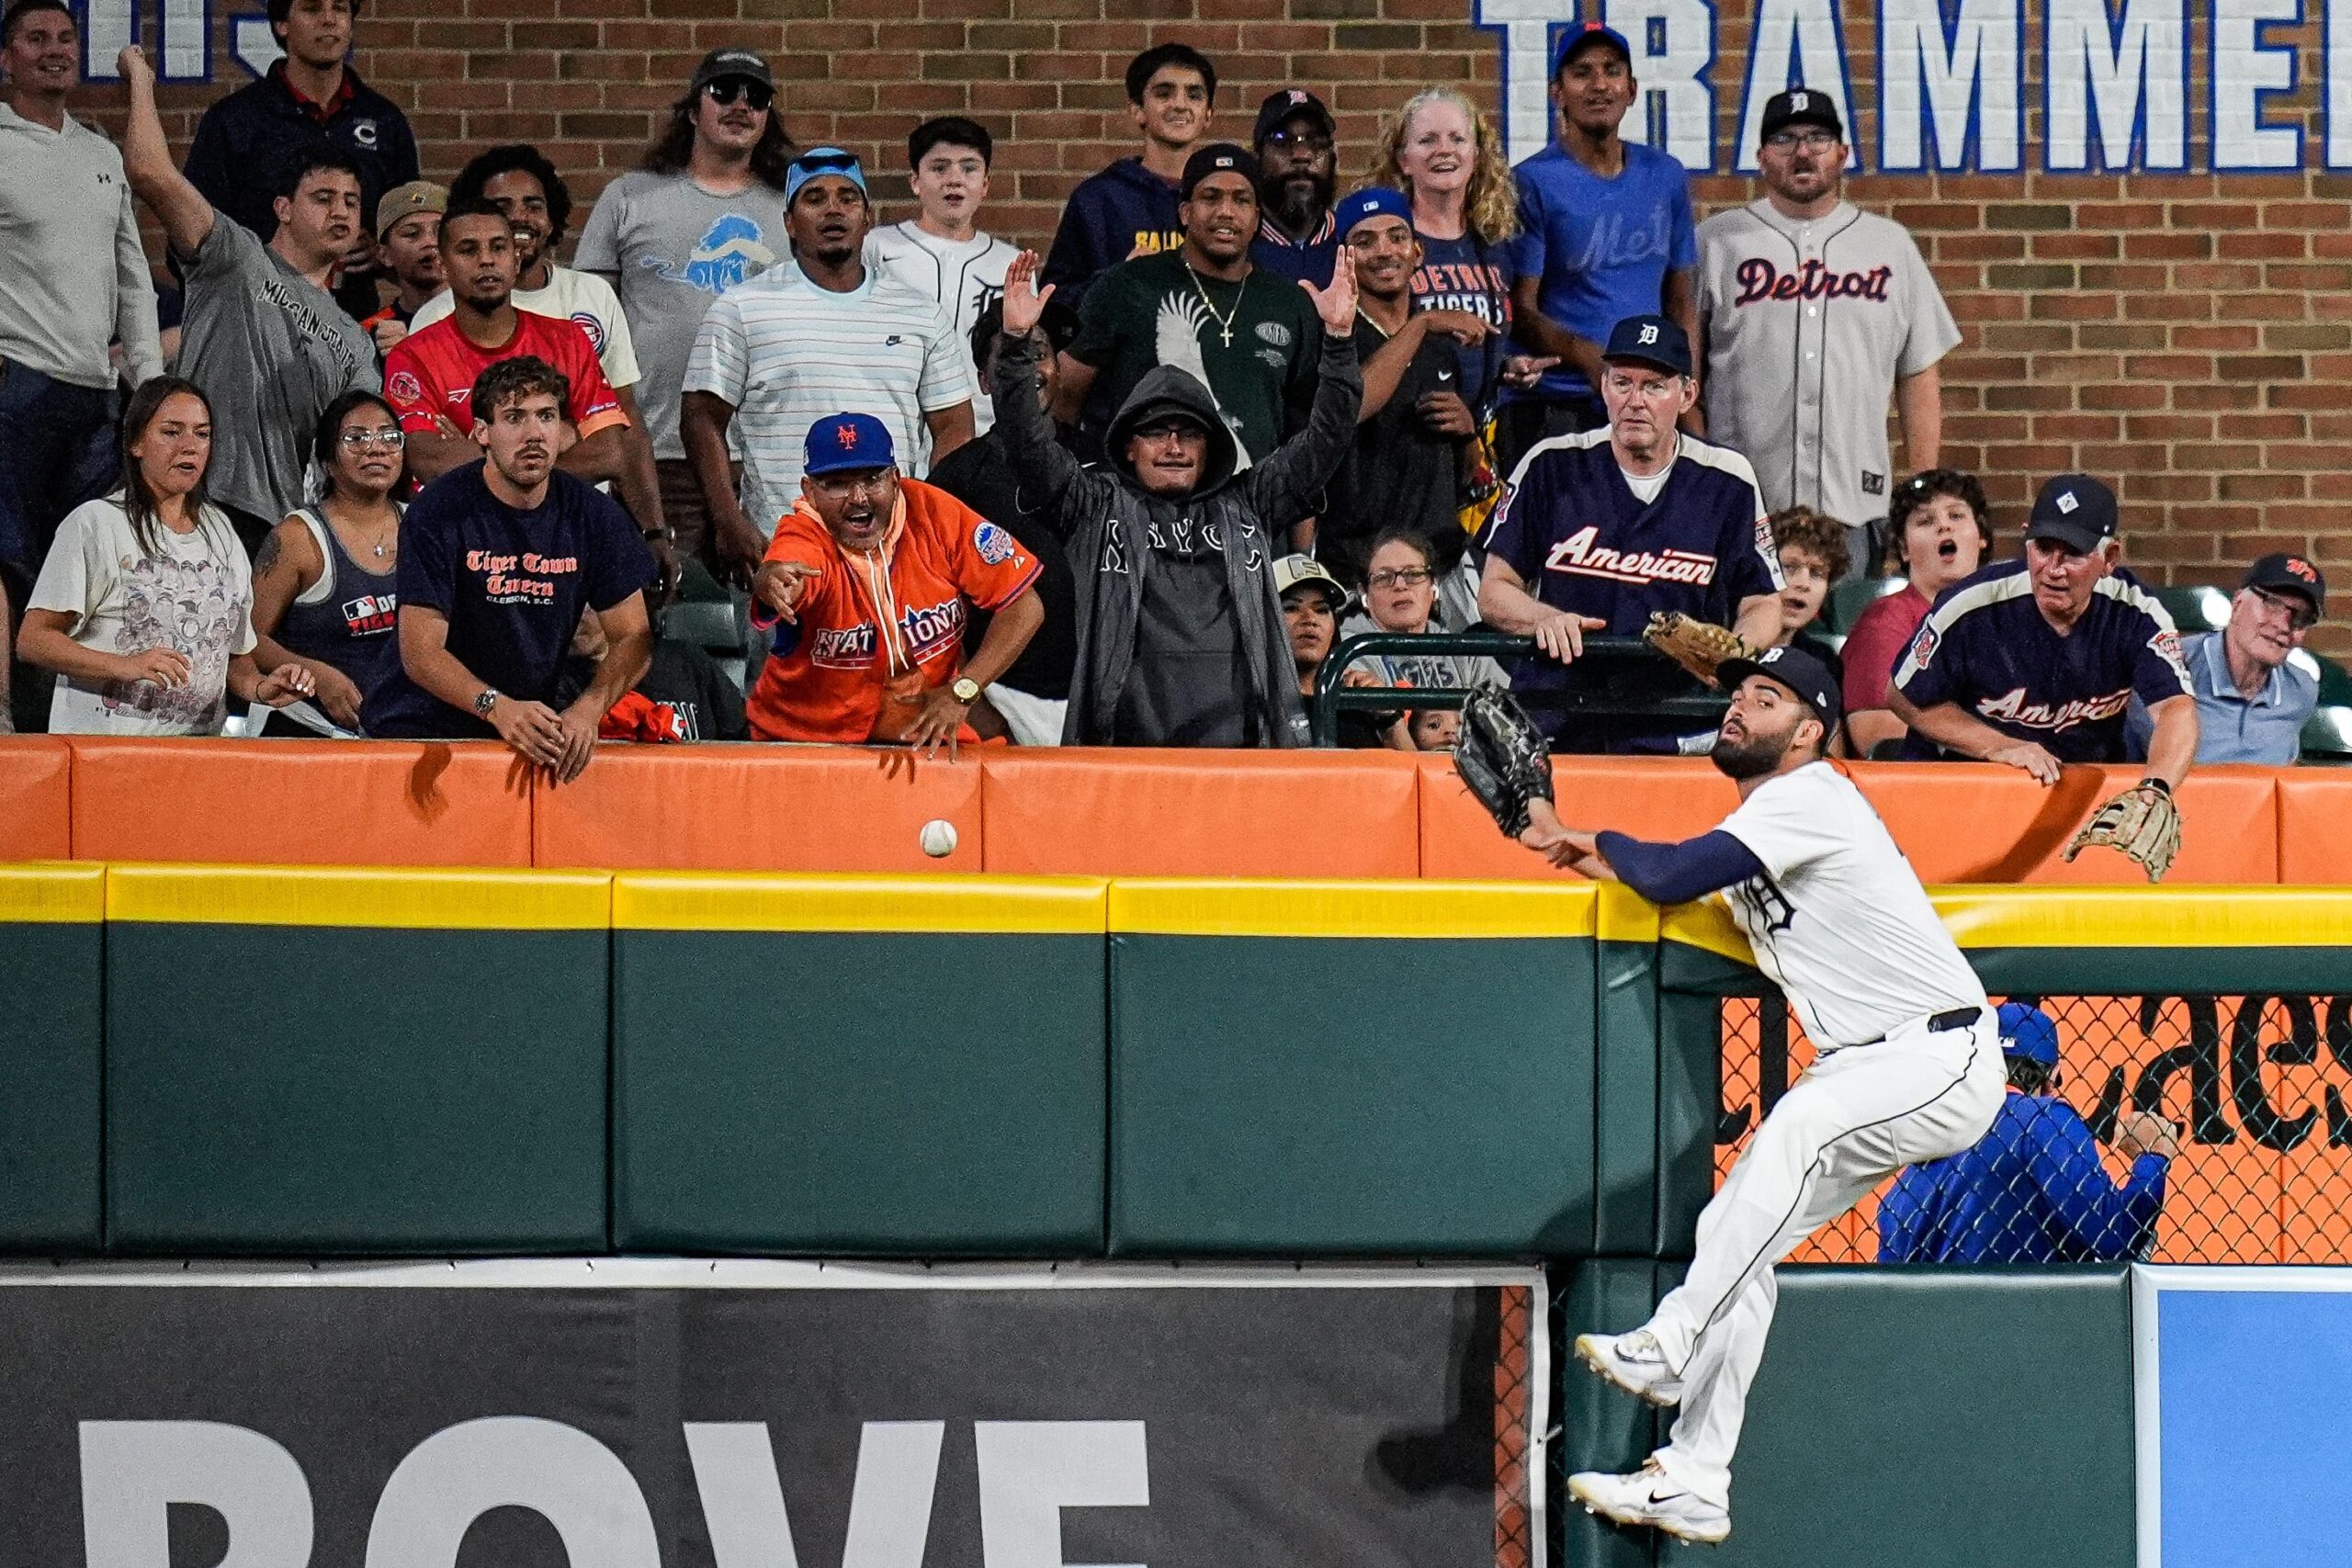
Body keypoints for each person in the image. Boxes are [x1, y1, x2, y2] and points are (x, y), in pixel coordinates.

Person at [1515, 642, 2005, 1546]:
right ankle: (1695, 1478)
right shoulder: (1763, 830)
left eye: (1767, 697)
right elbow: (1675, 892)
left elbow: (1666, 874)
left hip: (1937, 1056)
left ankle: (1672, 1340)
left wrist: (1615, 848)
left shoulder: (1809, 797)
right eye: (1739, 692)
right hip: (1872, 1063)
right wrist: (1571, 839)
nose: (1741, 706)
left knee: (1799, 1127)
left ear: (1807, 732)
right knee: (1734, 1237)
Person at [993, 247, 1362, 747]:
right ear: (1128, 443)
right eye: (1156, 433)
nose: (1173, 447)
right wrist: (1016, 346)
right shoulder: (1092, 504)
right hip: (1124, 744)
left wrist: (1338, 342)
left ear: (1210, 445)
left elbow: (1327, 438)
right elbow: (1025, 440)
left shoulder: (1252, 500)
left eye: (1188, 434)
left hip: (1243, 745)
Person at [1477, 314, 1781, 751]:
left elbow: (1762, 601)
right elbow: (1494, 591)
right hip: (1563, 706)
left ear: (1687, 394)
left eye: (1655, 386)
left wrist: (1736, 647)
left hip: (1679, 714)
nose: (1635, 400)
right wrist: (1543, 618)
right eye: (1622, 383)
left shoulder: (1728, 479)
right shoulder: (1551, 463)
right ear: (1604, 388)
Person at [117, 45, 379, 551]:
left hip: (283, 528)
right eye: (322, 198)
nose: (340, 211)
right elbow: (150, 171)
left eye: (351, 201)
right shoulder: (236, 257)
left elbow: (359, 449)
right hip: (196, 504)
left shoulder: (356, 342)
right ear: (283, 207)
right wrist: (141, 81)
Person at [682, 147, 975, 586]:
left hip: (893, 552)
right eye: (814, 199)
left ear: (867, 217)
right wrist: (728, 519)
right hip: (784, 550)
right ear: (789, 222)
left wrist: (928, 520)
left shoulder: (919, 313)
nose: (833, 209)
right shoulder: (742, 308)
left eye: (847, 198)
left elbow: (954, 425)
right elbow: (701, 416)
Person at [1695, 89, 1959, 573]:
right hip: (1740, 509)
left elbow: (1918, 373)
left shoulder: (1889, 246)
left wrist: (1922, 493)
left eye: (1818, 138)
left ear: (1843, 154)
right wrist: (1699, 477)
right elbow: (1684, 377)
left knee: (1853, 645)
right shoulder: (1716, 243)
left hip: (1856, 511)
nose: (1801, 151)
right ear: (1760, 157)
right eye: (1784, 139)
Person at [365, 355, 655, 777]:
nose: (534, 434)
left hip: (521, 731)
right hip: (417, 728)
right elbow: (421, 652)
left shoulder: (593, 514)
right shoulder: (437, 511)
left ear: (564, 430)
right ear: (481, 432)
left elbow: (634, 635)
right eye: (515, 418)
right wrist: (495, 707)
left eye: (547, 416)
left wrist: (588, 710)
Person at [575, 48, 794, 579]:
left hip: (768, 452)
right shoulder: (629, 197)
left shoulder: (794, 205)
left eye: (756, 96)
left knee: (774, 625)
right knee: (668, 614)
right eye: (723, 92)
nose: (741, 105)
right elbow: (586, 325)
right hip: (659, 450)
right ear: (693, 111)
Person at [17, 377, 315, 734]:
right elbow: (33, 640)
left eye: (201, 434)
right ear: (136, 443)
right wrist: (124, 665)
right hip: (104, 759)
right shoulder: (95, 524)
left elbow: (234, 656)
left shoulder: (222, 533)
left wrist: (260, 688)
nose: (189, 446)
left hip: (192, 764)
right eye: (172, 432)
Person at [742, 412, 1045, 750]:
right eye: (837, 483)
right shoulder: (804, 533)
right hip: (807, 742)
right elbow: (790, 568)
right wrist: (774, 583)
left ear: (896, 479)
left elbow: (1024, 605)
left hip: (919, 738)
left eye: (872, 479)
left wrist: (964, 689)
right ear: (809, 492)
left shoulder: (935, 514)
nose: (858, 497)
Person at [1888, 473, 2199, 783]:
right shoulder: (1972, 604)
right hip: (1964, 785)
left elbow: (2175, 708)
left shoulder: (2135, 611)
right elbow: (1903, 696)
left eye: (2073, 554)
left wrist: (2156, 790)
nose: (2053, 569)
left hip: (2081, 791)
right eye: (2043, 548)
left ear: (2109, 558)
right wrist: (1999, 747)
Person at [0, 0, 164, 579]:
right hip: (16, 388)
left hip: (96, 397)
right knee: (12, 562)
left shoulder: (101, 153)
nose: (55, 50)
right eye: (36, 39)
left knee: (84, 567)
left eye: (66, 38)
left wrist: (150, 386)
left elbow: (133, 278)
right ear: (6, 59)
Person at [382, 202, 660, 542]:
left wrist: (485, 452)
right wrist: (563, 435)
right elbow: (426, 459)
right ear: (443, 265)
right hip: (461, 539)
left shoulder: (568, 339)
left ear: (515, 261)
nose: (486, 259)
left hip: (563, 537)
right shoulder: (412, 356)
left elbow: (610, 453)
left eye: (498, 247)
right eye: (468, 250)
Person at [1060, 143, 1324, 479]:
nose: (1226, 212)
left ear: (1257, 217)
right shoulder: (1127, 285)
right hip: (1140, 515)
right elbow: (1065, 398)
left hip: (1252, 519)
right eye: (1210, 198)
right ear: (1185, 212)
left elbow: (1301, 437)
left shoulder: (1289, 302)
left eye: (1241, 200)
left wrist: (1299, 532)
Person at [1506, 23, 1697, 449]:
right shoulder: (1532, 181)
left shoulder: (1665, 175)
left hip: (1649, 402)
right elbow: (1520, 305)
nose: (1599, 85)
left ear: (1631, 89)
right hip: (1560, 403)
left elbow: (1680, 299)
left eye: (1612, 71)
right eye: (1581, 72)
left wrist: (1686, 392)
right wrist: (1588, 356)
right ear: (1557, 92)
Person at [1879, 1002, 2178, 1264]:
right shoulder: (2041, 1119)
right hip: (2026, 1325)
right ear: (2051, 1077)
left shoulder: (1911, 1174)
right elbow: (2117, 1236)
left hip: (1930, 1326)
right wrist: (2153, 1156)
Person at [181, 0, 418, 323]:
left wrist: (381, 252)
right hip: (255, 318)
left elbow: (413, 228)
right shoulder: (234, 120)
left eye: (340, 9)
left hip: (353, 315)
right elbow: (193, 234)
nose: (329, 20)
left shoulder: (385, 121)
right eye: (311, 9)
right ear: (282, 25)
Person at [925, 299, 1084, 746]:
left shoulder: (1101, 461)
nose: (1030, 369)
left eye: (1039, 354)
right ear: (984, 378)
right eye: (1012, 357)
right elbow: (931, 602)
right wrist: (971, 694)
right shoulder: (957, 477)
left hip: (1094, 701)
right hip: (999, 701)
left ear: (1058, 367)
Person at [1321, 187, 1491, 587]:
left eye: (1397, 237)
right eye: (1364, 242)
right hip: (1358, 567)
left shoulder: (1441, 349)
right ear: (1343, 260)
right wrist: (1423, 323)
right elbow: (1352, 405)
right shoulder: (1333, 336)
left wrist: (1467, 433)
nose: (1384, 251)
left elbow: (1468, 478)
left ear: (1418, 253)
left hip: (1439, 563)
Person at [247, 389, 406, 734]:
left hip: (398, 734)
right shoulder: (297, 537)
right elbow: (247, 637)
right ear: (327, 462)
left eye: (389, 437)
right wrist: (315, 676)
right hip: (309, 730)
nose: (375, 448)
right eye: (356, 438)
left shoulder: (422, 526)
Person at [1369, 85, 1530, 414]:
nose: (1444, 150)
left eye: (1457, 139)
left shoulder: (1494, 242)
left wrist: (1505, 367)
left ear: (1476, 154)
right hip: (1406, 427)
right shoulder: (1386, 244)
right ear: (1403, 160)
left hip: (1480, 434)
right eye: (1428, 140)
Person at [869, 117, 1018, 433]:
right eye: (939, 168)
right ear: (915, 181)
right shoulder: (876, 248)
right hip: (892, 427)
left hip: (983, 431)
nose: (955, 179)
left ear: (986, 184)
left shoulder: (1011, 264)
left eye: (969, 168)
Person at [1040, 42, 1214, 308]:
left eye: (1194, 95)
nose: (1180, 104)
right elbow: (1053, 301)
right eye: (1164, 93)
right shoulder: (1097, 199)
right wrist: (1117, 281)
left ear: (1208, 115)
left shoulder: (1228, 200)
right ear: (1137, 110)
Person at [1841, 468, 1991, 755]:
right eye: (1925, 521)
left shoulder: (2012, 615)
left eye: (1956, 516)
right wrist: (1995, 745)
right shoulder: (1886, 620)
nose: (1944, 527)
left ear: (1981, 536)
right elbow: (1876, 735)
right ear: (1904, 549)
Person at [2127, 554, 2324, 765]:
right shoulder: (2165, 668)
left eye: (2301, 618)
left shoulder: (2301, 691)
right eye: (2272, 604)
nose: (2284, 625)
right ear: (2237, 603)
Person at [1341, 527, 1505, 694]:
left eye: (1413, 574)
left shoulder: (1465, 653)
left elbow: (1510, 710)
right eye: (1383, 577)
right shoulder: (1348, 650)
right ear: (1364, 594)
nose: (1400, 585)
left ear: (1433, 585)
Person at [1278, 552, 1404, 749]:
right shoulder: (1243, 705)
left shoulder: (1357, 700)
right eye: (1291, 608)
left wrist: (1389, 718)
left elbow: (1412, 774)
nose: (1310, 619)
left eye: (1321, 610)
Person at [1250, 87, 1338, 287]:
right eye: (1281, 140)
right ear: (1257, 157)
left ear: (1333, 158)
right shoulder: (1236, 248)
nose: (1301, 154)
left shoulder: (1352, 240)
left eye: (1316, 141)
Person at [357, 180, 445, 358]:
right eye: (412, 233)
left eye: (441, 231)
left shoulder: (485, 321)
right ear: (384, 255)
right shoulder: (368, 334)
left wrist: (415, 350)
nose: (430, 242)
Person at [1765, 505, 1848, 662]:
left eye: (1817, 574)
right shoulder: (1716, 645)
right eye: (1789, 567)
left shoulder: (1824, 662)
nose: (1804, 584)